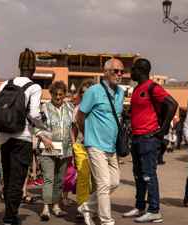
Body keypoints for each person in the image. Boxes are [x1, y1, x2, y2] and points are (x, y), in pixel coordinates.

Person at [123, 58, 178, 223]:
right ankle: (140, 207)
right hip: (137, 138)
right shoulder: (137, 89)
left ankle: (154, 210)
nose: (130, 72)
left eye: (132, 69)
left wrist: (164, 128)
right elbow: (137, 112)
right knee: (138, 175)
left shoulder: (152, 87)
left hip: (148, 139)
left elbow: (172, 104)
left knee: (148, 175)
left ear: (140, 70)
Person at [0, 48, 45, 225]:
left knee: (8, 177)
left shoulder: (5, 83)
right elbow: (34, 115)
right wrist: (42, 125)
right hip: (22, 136)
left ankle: (8, 214)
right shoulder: (34, 87)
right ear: (33, 68)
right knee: (18, 179)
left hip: (3, 136)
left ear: (18, 66)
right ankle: (10, 217)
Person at [76, 59, 125, 225]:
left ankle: (86, 207)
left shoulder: (121, 93)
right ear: (105, 72)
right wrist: (87, 136)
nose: (119, 74)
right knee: (103, 184)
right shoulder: (94, 91)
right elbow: (80, 116)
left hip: (111, 146)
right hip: (95, 144)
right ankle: (106, 221)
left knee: (114, 182)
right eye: (115, 71)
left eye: (121, 71)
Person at [37, 81, 74, 221]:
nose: (58, 97)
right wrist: (44, 139)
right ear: (51, 94)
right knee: (48, 179)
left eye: (61, 94)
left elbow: (71, 127)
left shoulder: (70, 108)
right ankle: (46, 207)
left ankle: (56, 206)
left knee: (59, 180)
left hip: (65, 149)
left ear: (64, 94)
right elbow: (36, 126)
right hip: (48, 148)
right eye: (55, 94)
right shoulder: (44, 108)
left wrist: (74, 144)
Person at [73, 79, 96, 222]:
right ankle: (81, 207)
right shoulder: (77, 109)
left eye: (89, 93)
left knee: (96, 180)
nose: (85, 95)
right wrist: (73, 146)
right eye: (83, 92)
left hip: (97, 148)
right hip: (81, 146)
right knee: (83, 177)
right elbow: (73, 129)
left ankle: (92, 208)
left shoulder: (98, 108)